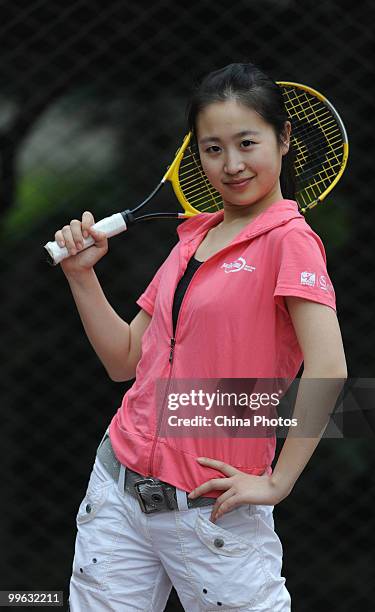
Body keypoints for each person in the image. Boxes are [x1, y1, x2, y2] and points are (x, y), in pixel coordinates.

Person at [58, 63, 347, 611]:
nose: (232, 165)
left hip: (212, 514)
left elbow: (330, 368)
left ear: (284, 140)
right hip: (117, 496)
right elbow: (124, 360)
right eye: (213, 149)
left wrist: (278, 482)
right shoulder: (193, 240)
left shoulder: (292, 242)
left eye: (247, 143)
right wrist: (82, 275)